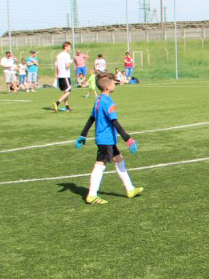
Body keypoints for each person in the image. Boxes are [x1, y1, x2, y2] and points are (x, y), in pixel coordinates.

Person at [75, 74, 143, 204]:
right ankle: (92, 195)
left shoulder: (98, 100)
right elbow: (114, 121)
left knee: (119, 160)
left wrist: (83, 134)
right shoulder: (108, 102)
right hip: (106, 139)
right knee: (100, 165)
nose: (114, 84)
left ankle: (130, 189)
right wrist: (127, 138)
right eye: (113, 82)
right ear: (107, 86)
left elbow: (91, 118)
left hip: (106, 139)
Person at [53, 41, 74, 112]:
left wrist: (56, 74)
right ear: (65, 46)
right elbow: (67, 65)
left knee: (65, 91)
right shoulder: (67, 55)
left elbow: (56, 65)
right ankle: (57, 103)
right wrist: (71, 61)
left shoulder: (59, 55)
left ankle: (67, 106)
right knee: (68, 91)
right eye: (69, 46)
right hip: (65, 75)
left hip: (60, 75)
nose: (70, 48)